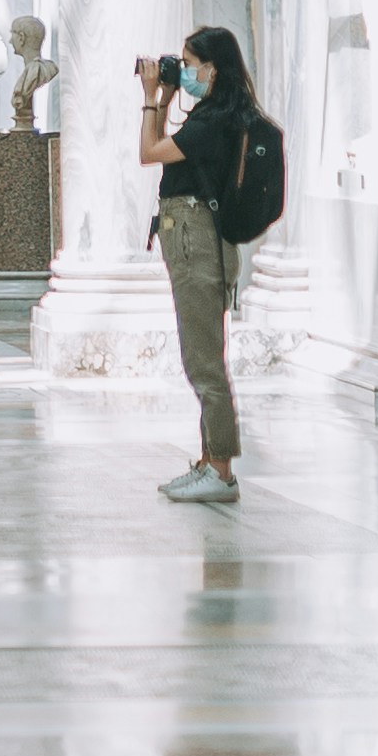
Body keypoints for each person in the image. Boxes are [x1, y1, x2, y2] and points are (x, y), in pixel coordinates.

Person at [140, 25, 258, 504]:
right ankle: (209, 461)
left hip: (199, 242)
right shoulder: (215, 115)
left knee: (205, 361)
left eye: (189, 65)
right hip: (193, 238)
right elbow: (162, 154)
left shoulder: (214, 121)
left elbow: (148, 153)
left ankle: (222, 471)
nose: (183, 72)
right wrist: (167, 98)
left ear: (212, 68)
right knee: (200, 355)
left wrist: (151, 99)